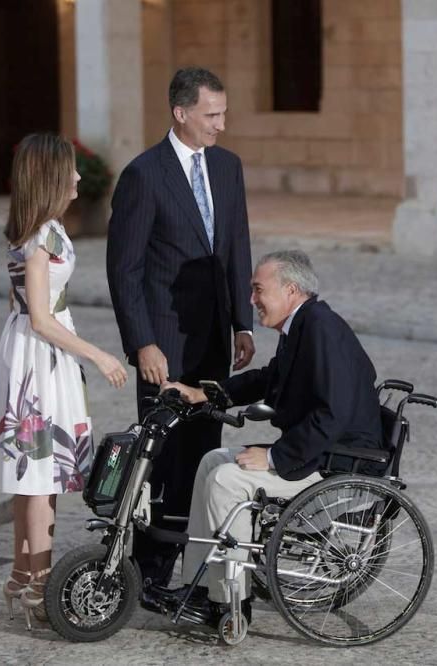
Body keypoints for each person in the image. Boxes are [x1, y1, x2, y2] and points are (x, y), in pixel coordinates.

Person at [161, 250, 382, 621]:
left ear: (291, 290)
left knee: (228, 481)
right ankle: (202, 585)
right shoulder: (303, 326)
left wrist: (275, 458)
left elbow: (334, 413)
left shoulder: (320, 329)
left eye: (258, 290)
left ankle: (230, 604)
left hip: (340, 460)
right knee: (212, 460)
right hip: (322, 449)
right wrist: (206, 393)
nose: (252, 300)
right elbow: (268, 378)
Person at [0, 134, 128, 628]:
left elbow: (19, 310)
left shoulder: (41, 228)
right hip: (40, 355)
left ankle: (22, 575)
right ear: (50, 176)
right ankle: (38, 585)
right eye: (71, 170)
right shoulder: (41, 235)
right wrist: (98, 355)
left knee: (36, 476)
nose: (80, 178)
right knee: (39, 478)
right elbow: (40, 317)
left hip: (33, 356)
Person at [107, 66, 254, 586]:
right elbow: (124, 270)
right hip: (164, 346)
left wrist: (244, 322)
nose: (220, 125)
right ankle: (146, 574)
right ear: (181, 113)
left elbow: (235, 248)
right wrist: (142, 343)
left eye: (223, 114)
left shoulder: (229, 167)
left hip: (214, 344)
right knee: (162, 463)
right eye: (211, 115)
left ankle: (197, 569)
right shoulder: (144, 175)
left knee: (204, 460)